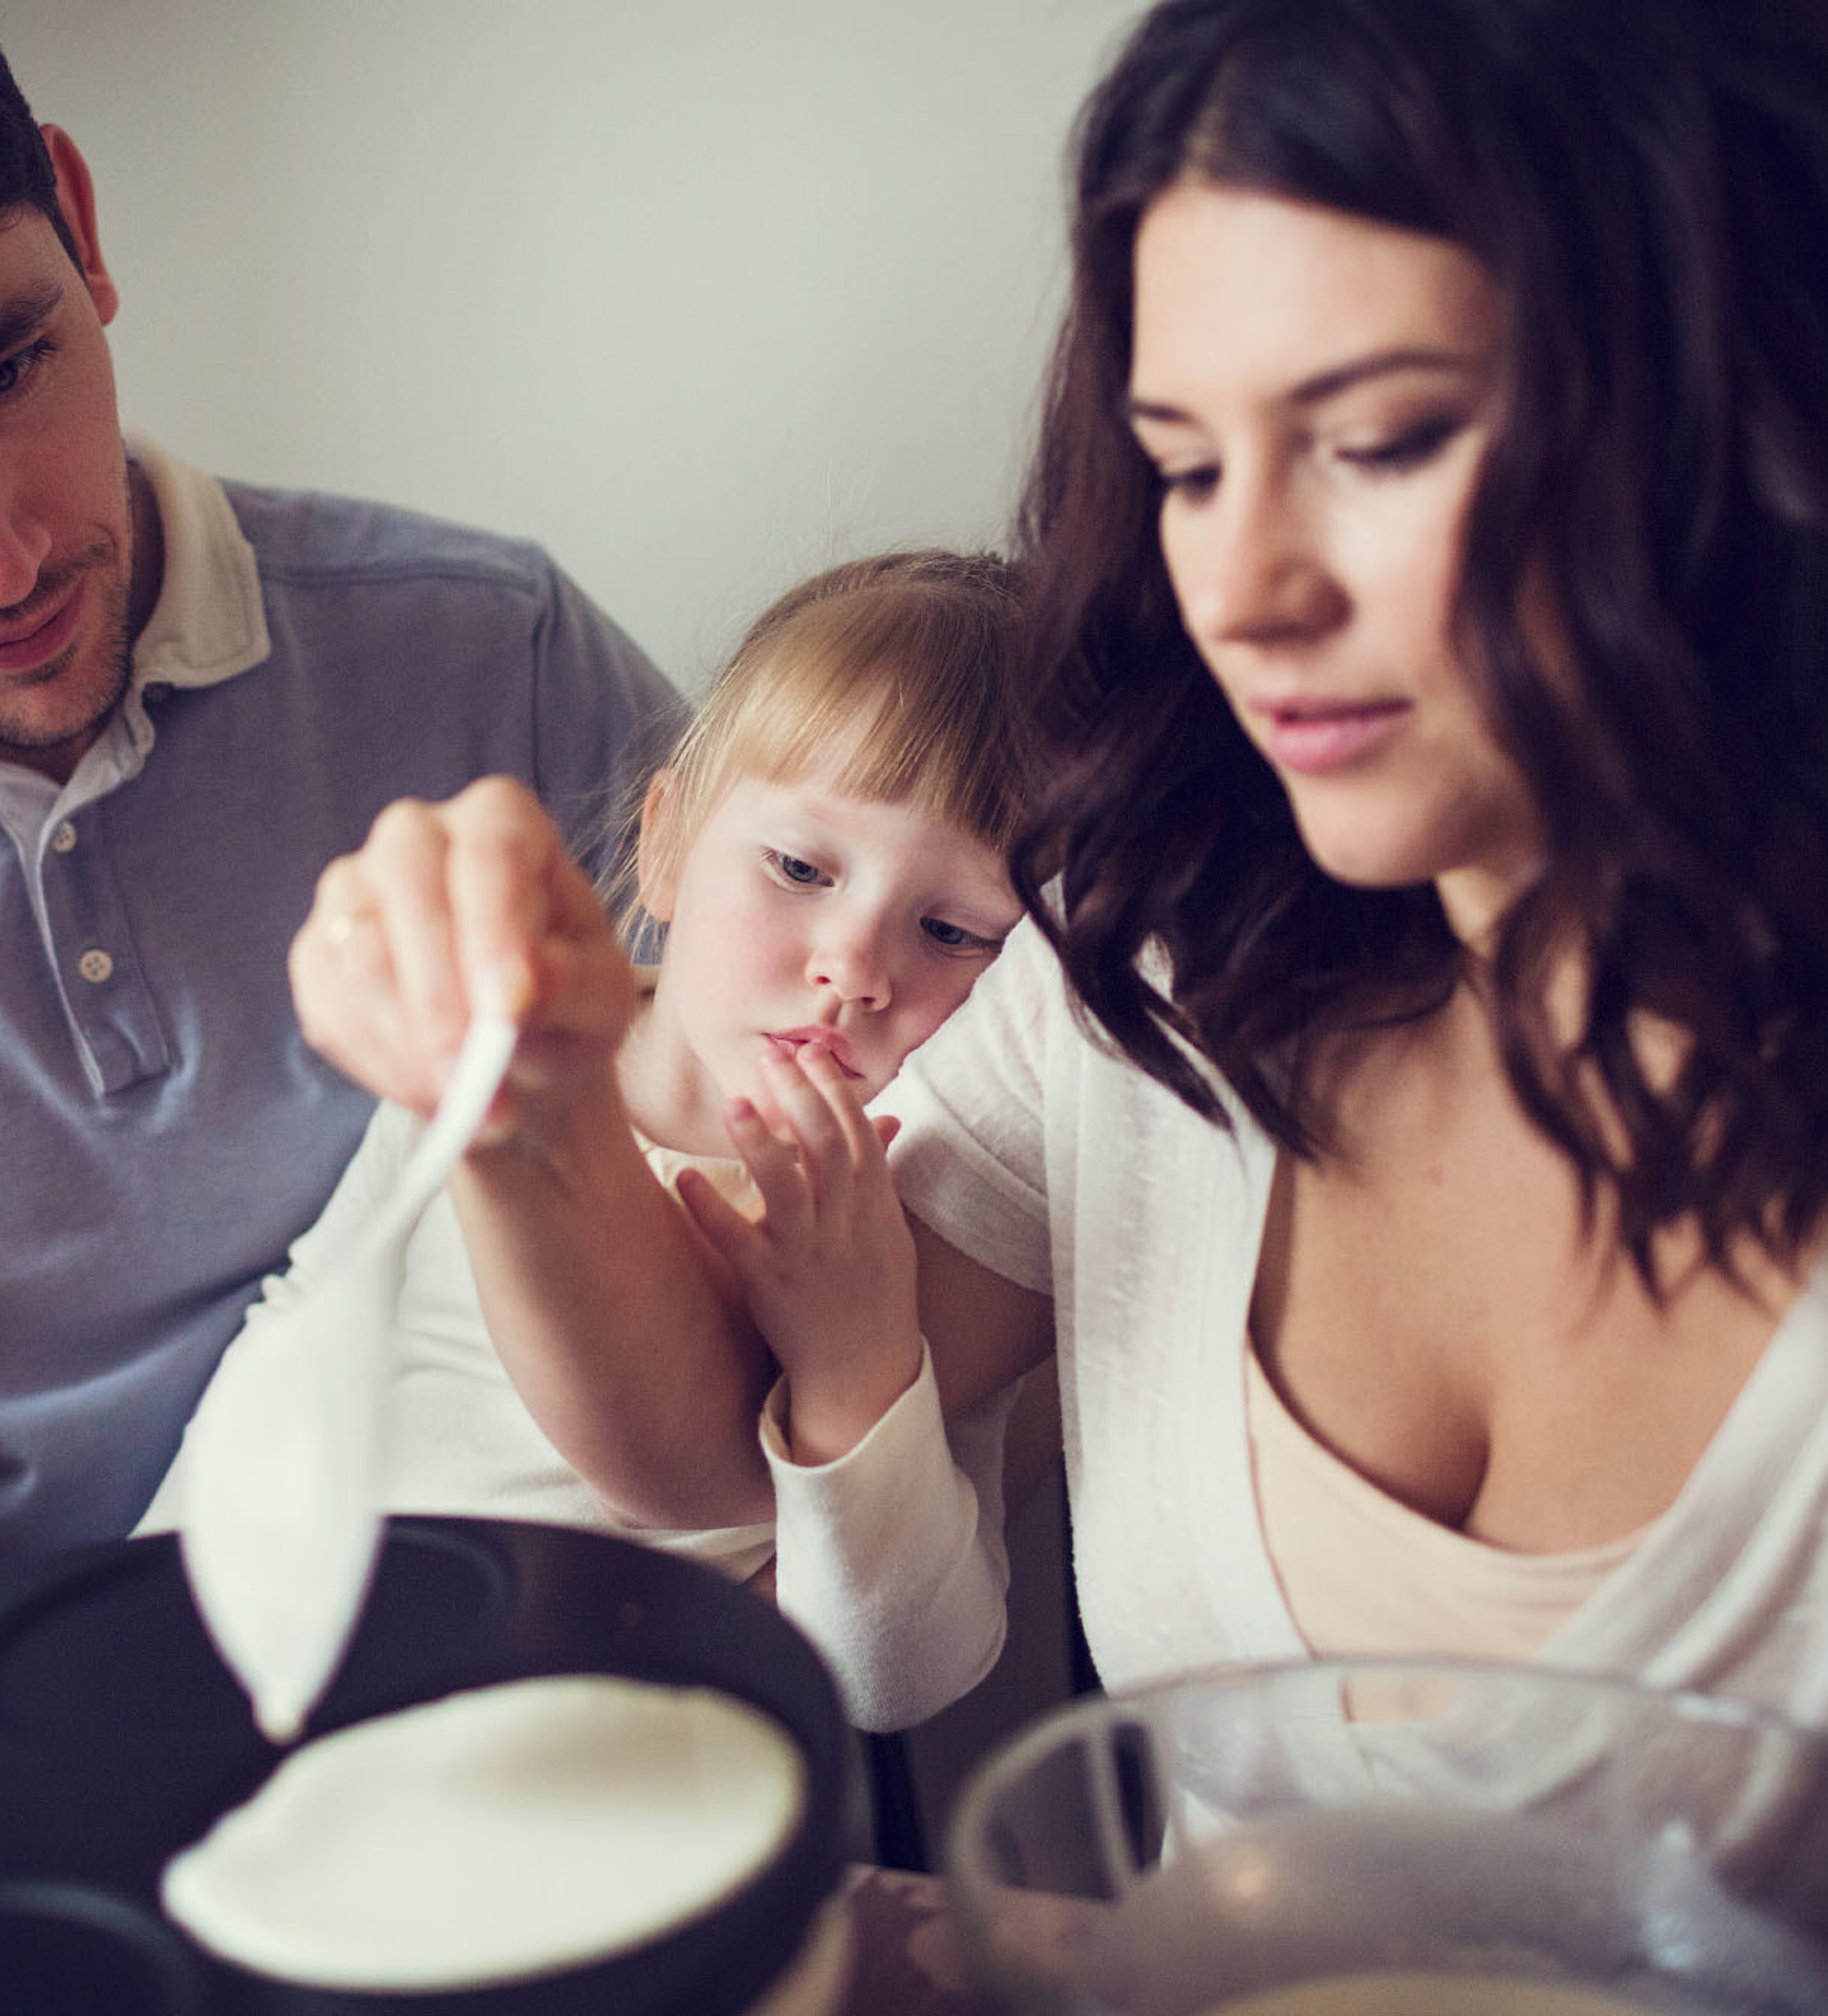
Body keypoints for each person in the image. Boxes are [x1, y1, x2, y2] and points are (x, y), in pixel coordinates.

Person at [284, 0, 1828, 1738]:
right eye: (1182, 465)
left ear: (1744, 406)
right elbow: (716, 1433)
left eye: (1379, 440)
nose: (1232, 589)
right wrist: (537, 1103)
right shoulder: (1133, 965)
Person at [0, 0, 677, 1613]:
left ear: (78, 218)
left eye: (7, 369)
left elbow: (782, 1195)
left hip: (525, 1652)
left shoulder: (501, 655)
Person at [141, 551, 1033, 1699]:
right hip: (294, 1668)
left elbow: (902, 1679)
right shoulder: (506, 1033)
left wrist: (857, 1365)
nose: (851, 968)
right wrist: (150, 1620)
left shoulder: (921, 1206)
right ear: (663, 845)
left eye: (956, 932)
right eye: (801, 867)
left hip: (601, 1773)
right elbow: (298, 1330)